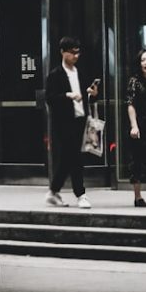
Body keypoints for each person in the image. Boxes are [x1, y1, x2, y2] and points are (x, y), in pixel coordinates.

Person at [44, 36, 99, 208]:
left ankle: (53, 191)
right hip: (64, 122)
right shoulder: (55, 75)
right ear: (62, 52)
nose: (76, 56)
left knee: (68, 158)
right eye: (72, 53)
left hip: (80, 119)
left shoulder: (79, 73)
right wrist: (68, 95)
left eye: (78, 52)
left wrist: (91, 93)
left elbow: (84, 94)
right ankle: (80, 194)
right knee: (74, 157)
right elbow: (50, 98)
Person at [126, 48, 146, 207]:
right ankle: (137, 197)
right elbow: (131, 105)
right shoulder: (135, 81)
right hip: (140, 126)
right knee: (137, 160)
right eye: (143, 60)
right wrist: (134, 126)